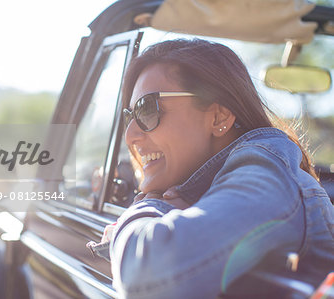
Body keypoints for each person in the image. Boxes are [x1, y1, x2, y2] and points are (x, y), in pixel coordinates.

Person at [107, 39, 334, 298]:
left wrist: (147, 210)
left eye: (146, 109)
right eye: (129, 116)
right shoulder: (217, 181)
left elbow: (145, 276)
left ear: (219, 117)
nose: (130, 135)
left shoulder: (265, 170)